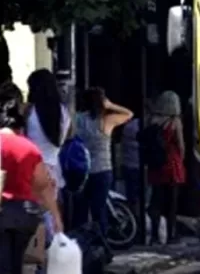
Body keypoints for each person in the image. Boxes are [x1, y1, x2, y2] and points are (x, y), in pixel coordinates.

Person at [0, 81, 63, 274]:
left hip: (4, 209)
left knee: (1, 265)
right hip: (28, 212)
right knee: (15, 263)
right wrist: (56, 217)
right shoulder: (30, 147)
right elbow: (44, 185)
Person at [71, 88, 133, 236]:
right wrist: (111, 105)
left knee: (80, 212)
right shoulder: (106, 120)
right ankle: (101, 244)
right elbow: (129, 114)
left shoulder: (77, 119)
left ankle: (81, 245)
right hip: (102, 170)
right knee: (99, 210)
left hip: (81, 170)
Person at [24, 69, 71, 243]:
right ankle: (56, 251)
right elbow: (65, 138)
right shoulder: (63, 112)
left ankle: (36, 255)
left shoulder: (29, 111)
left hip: (33, 168)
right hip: (53, 167)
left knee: (32, 215)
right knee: (51, 215)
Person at [146, 91, 185, 244]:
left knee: (157, 200)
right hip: (172, 164)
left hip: (156, 165)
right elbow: (180, 145)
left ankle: (155, 234)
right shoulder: (175, 122)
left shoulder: (152, 120)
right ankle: (171, 234)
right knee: (172, 203)